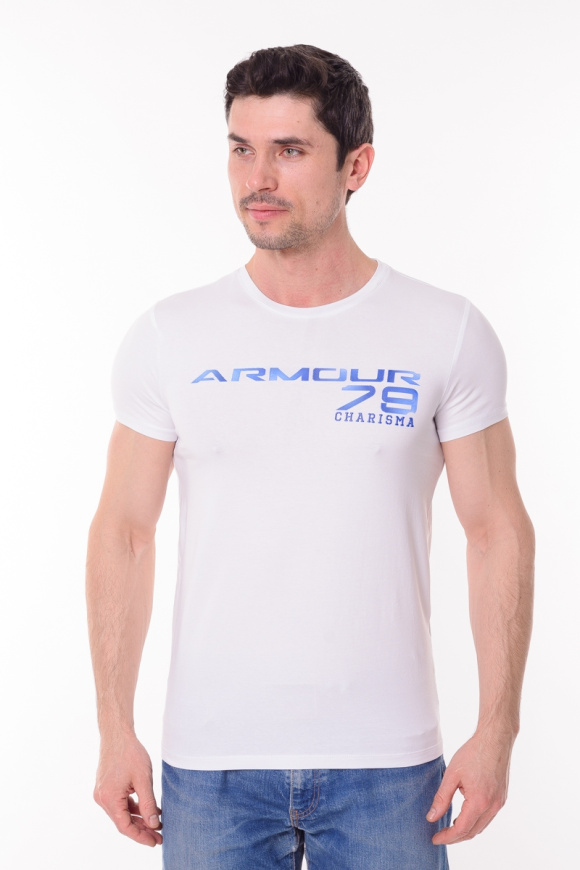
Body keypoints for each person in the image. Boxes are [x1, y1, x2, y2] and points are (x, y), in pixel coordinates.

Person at [86, 44, 535, 870]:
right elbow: (123, 532)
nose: (257, 178)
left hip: (391, 766)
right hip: (211, 764)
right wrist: (115, 729)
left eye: (289, 151)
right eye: (241, 148)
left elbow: (496, 530)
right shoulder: (170, 335)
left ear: (356, 165)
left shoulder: (446, 331)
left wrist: (498, 730)